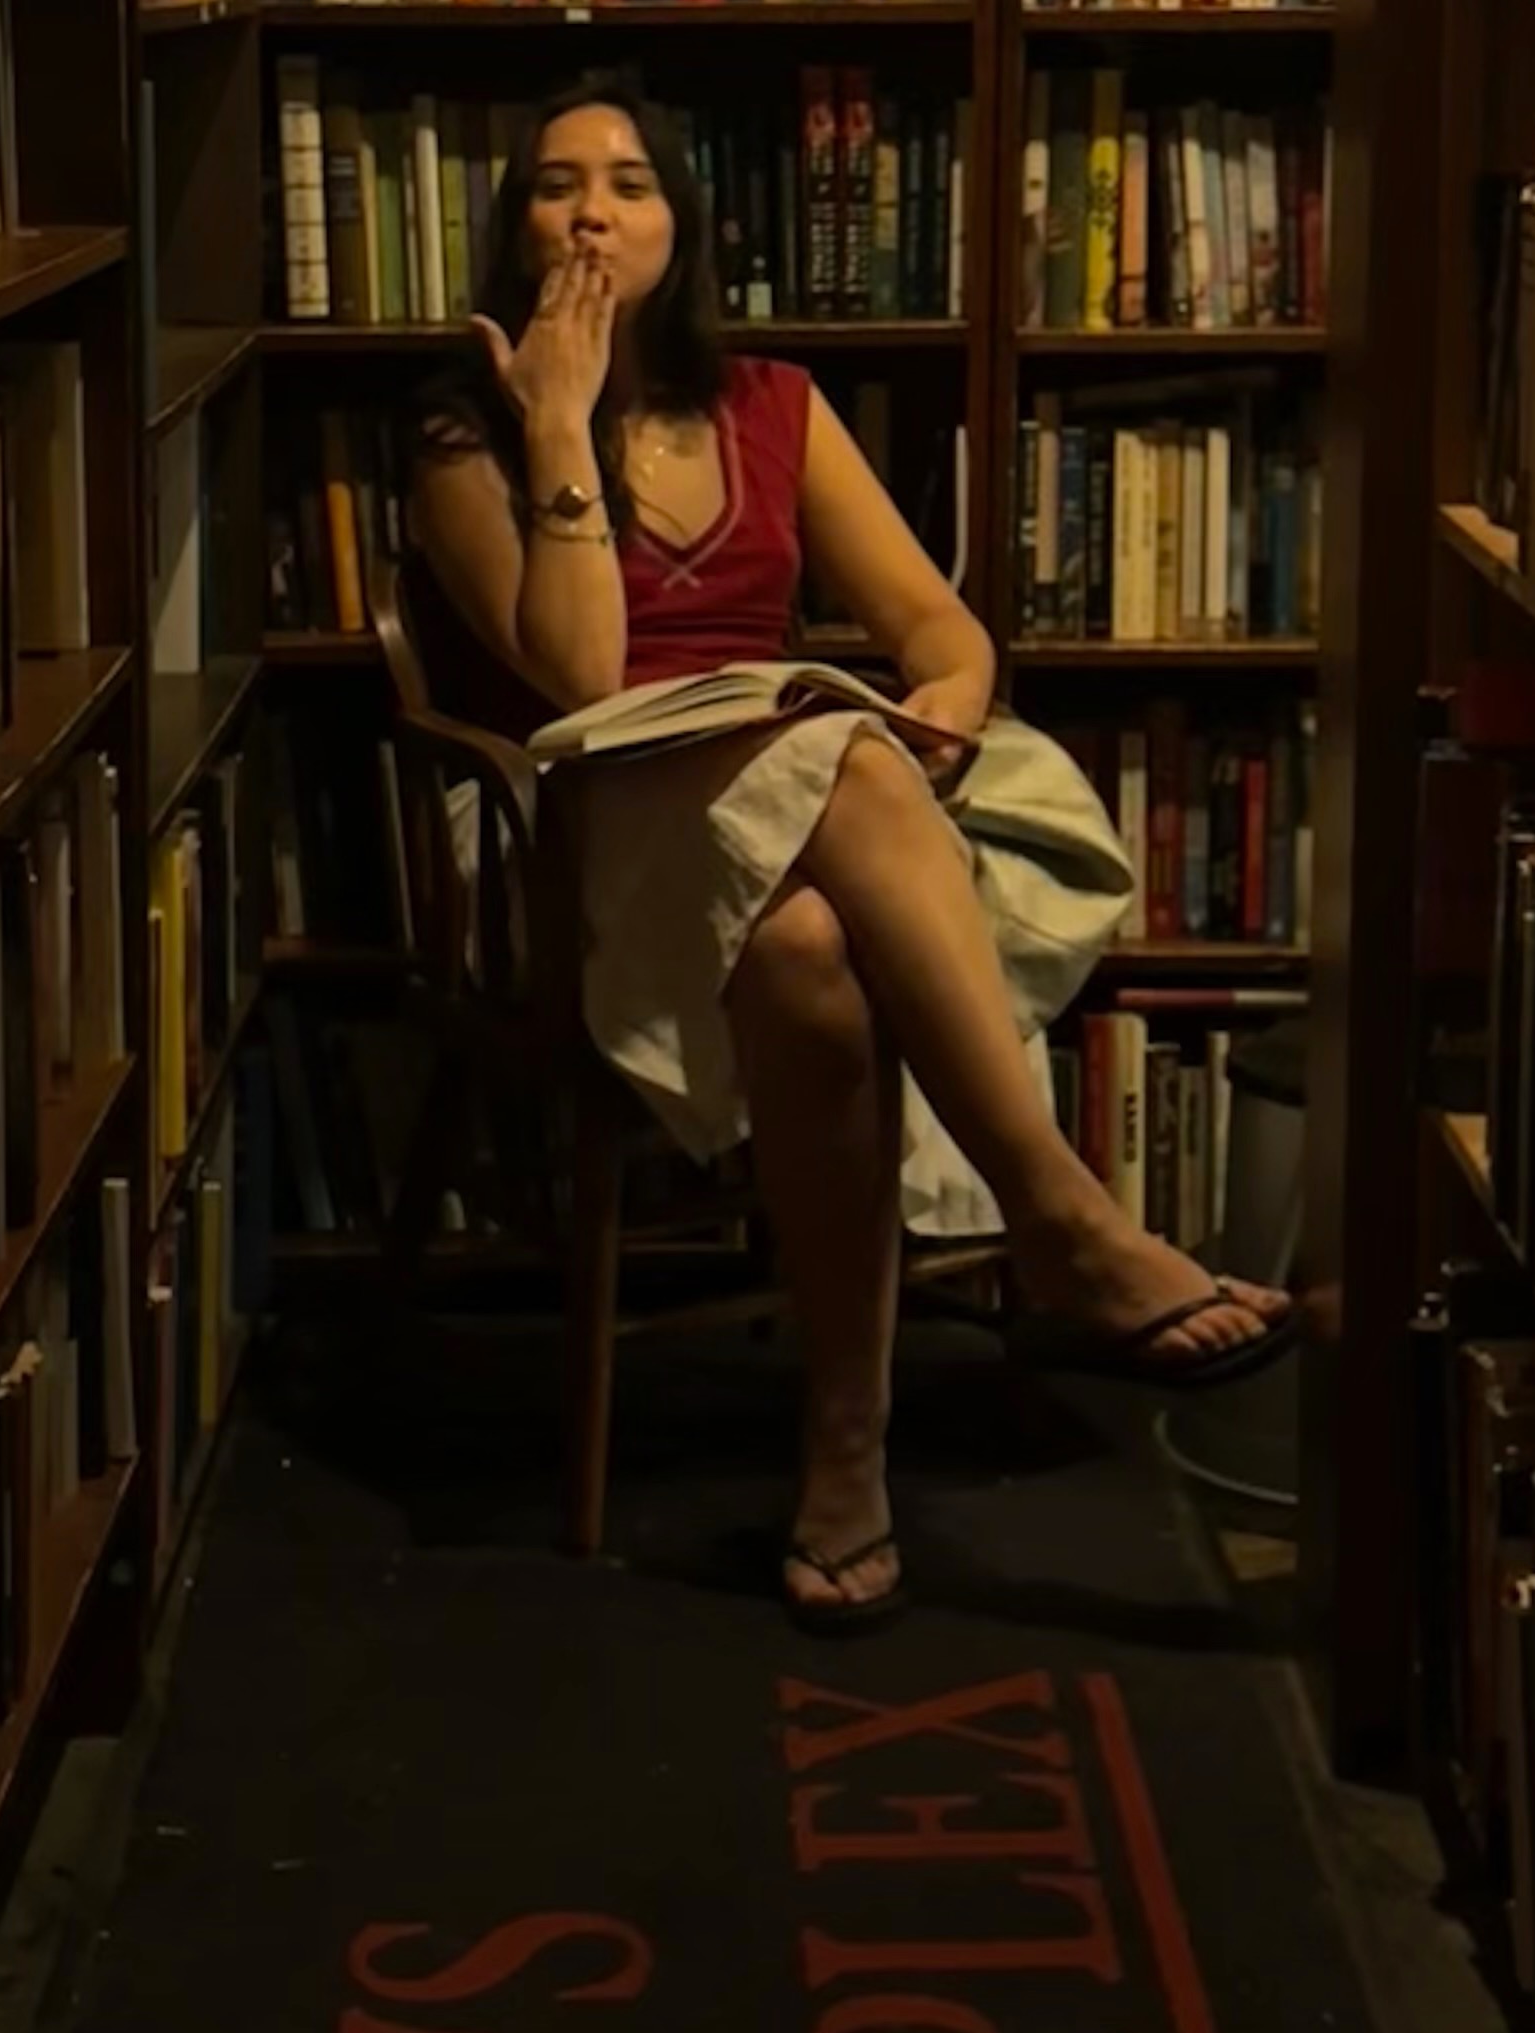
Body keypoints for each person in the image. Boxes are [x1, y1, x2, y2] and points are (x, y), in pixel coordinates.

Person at [409, 84, 1294, 1633]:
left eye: (629, 182)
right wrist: (557, 415)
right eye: (554, 186)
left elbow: (941, 628)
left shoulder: (772, 404)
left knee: (812, 945)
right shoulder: (459, 431)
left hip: (798, 829)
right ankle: (1061, 1218)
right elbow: (581, 672)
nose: (593, 211)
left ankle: (844, 1451)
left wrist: (940, 706)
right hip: (588, 844)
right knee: (841, 757)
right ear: (516, 228)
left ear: (684, 225)